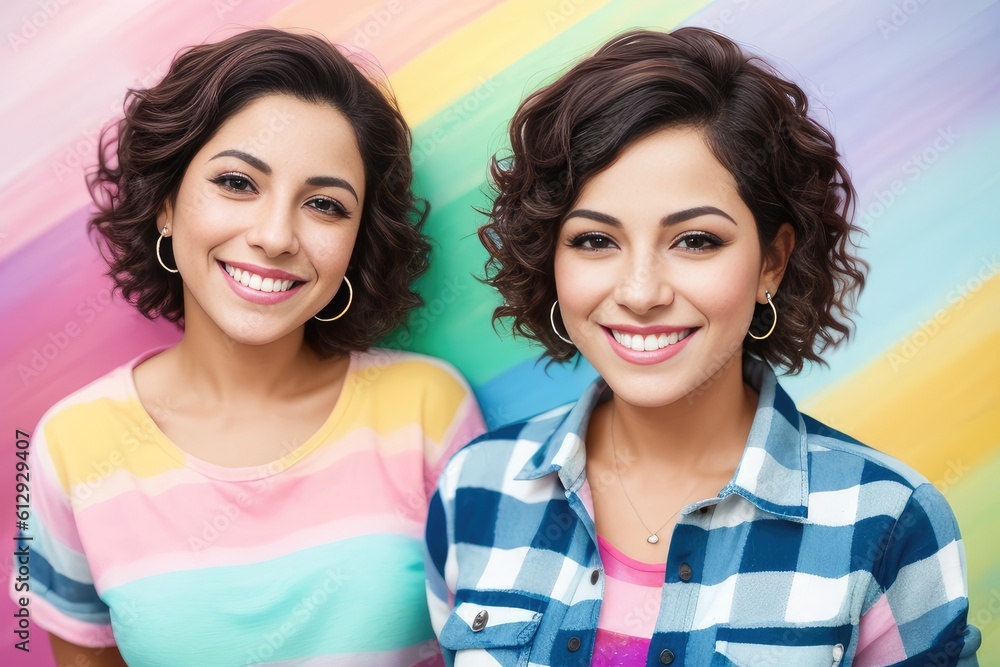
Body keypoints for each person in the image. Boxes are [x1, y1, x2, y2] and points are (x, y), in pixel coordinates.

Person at [425, 27, 980, 666]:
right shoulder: (475, 489)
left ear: (772, 262)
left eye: (695, 240)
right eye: (594, 240)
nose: (640, 292)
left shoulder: (888, 523)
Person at [18, 28, 484, 666]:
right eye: (238, 183)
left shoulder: (430, 410)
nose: (275, 236)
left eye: (324, 204)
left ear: (356, 241)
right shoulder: (68, 445)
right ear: (165, 203)